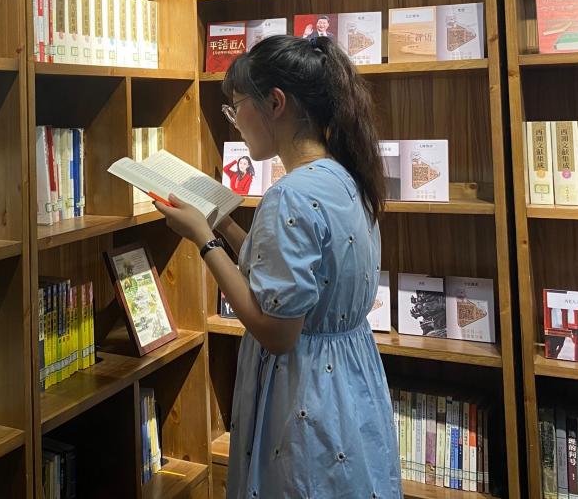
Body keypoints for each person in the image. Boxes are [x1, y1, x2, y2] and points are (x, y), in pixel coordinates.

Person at [155, 33, 400, 498]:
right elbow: (287, 277)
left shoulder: (289, 195)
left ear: (275, 102)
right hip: (350, 383)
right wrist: (224, 225)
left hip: (305, 392)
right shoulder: (344, 176)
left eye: (236, 107)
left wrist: (203, 240)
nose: (234, 123)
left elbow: (277, 331)